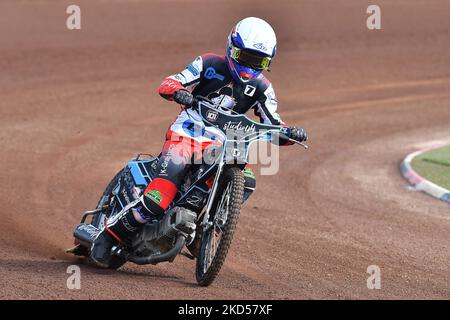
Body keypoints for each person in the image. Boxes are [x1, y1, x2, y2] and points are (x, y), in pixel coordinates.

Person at [90, 17, 308, 267]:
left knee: (246, 179)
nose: (249, 67)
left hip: (227, 144)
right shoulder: (208, 63)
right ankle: (108, 236)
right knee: (158, 199)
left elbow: (273, 122)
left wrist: (291, 133)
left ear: (268, 62)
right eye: (245, 57)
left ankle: (209, 228)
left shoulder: (263, 88)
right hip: (188, 135)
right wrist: (178, 91)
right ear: (232, 48)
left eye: (258, 62)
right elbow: (170, 82)